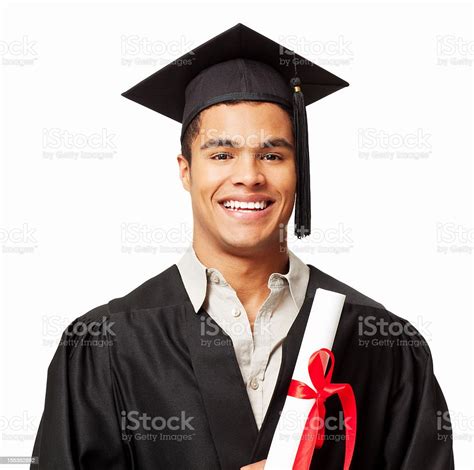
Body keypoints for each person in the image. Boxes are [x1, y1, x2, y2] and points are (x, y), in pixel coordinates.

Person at [31, 23, 454, 469]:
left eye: (273, 155)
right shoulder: (105, 344)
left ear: (299, 170)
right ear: (185, 170)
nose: (249, 176)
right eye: (221, 154)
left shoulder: (382, 343)